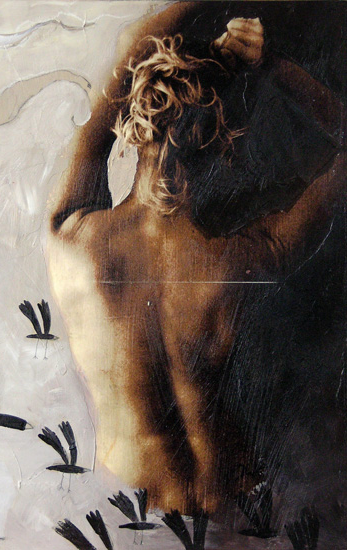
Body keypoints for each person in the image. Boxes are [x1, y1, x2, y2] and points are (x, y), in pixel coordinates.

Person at [47, 0, 347, 535]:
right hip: (240, 516)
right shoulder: (252, 255)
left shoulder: (72, 240)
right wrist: (268, 64)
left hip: (130, 516)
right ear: (223, 142)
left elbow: (121, 69)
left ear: (135, 123)